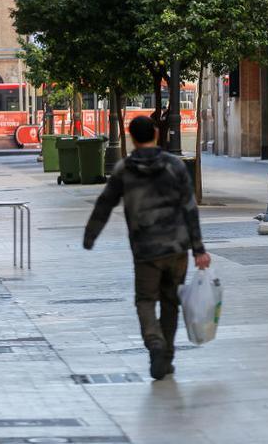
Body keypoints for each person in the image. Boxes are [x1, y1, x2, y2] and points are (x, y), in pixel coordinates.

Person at [83, 115, 211, 380]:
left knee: (145, 300)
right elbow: (189, 208)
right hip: (177, 249)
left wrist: (90, 236)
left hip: (145, 250)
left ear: (131, 137)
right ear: (155, 132)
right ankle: (166, 356)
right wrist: (198, 249)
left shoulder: (124, 169)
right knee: (170, 302)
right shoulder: (174, 166)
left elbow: (105, 203)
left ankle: (154, 343)